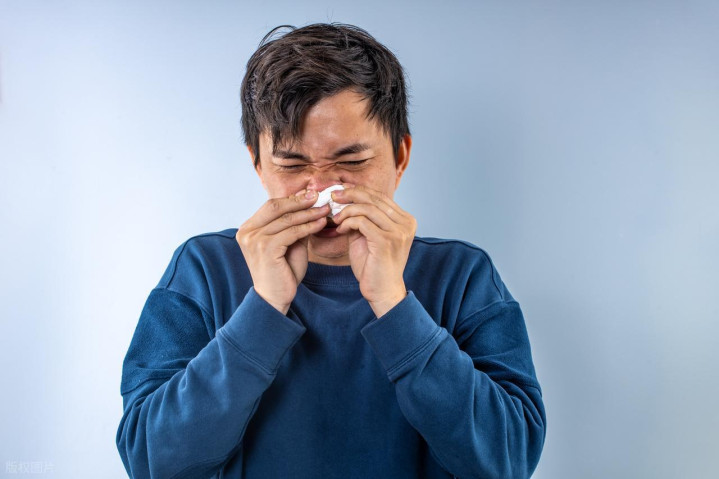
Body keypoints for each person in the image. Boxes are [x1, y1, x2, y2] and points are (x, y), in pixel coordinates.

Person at [116, 22, 546, 479]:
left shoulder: (461, 276)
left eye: (352, 162)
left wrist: (393, 304)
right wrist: (264, 307)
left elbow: (508, 461)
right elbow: (152, 461)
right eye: (292, 165)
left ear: (400, 157)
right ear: (257, 163)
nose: (323, 191)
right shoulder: (204, 270)